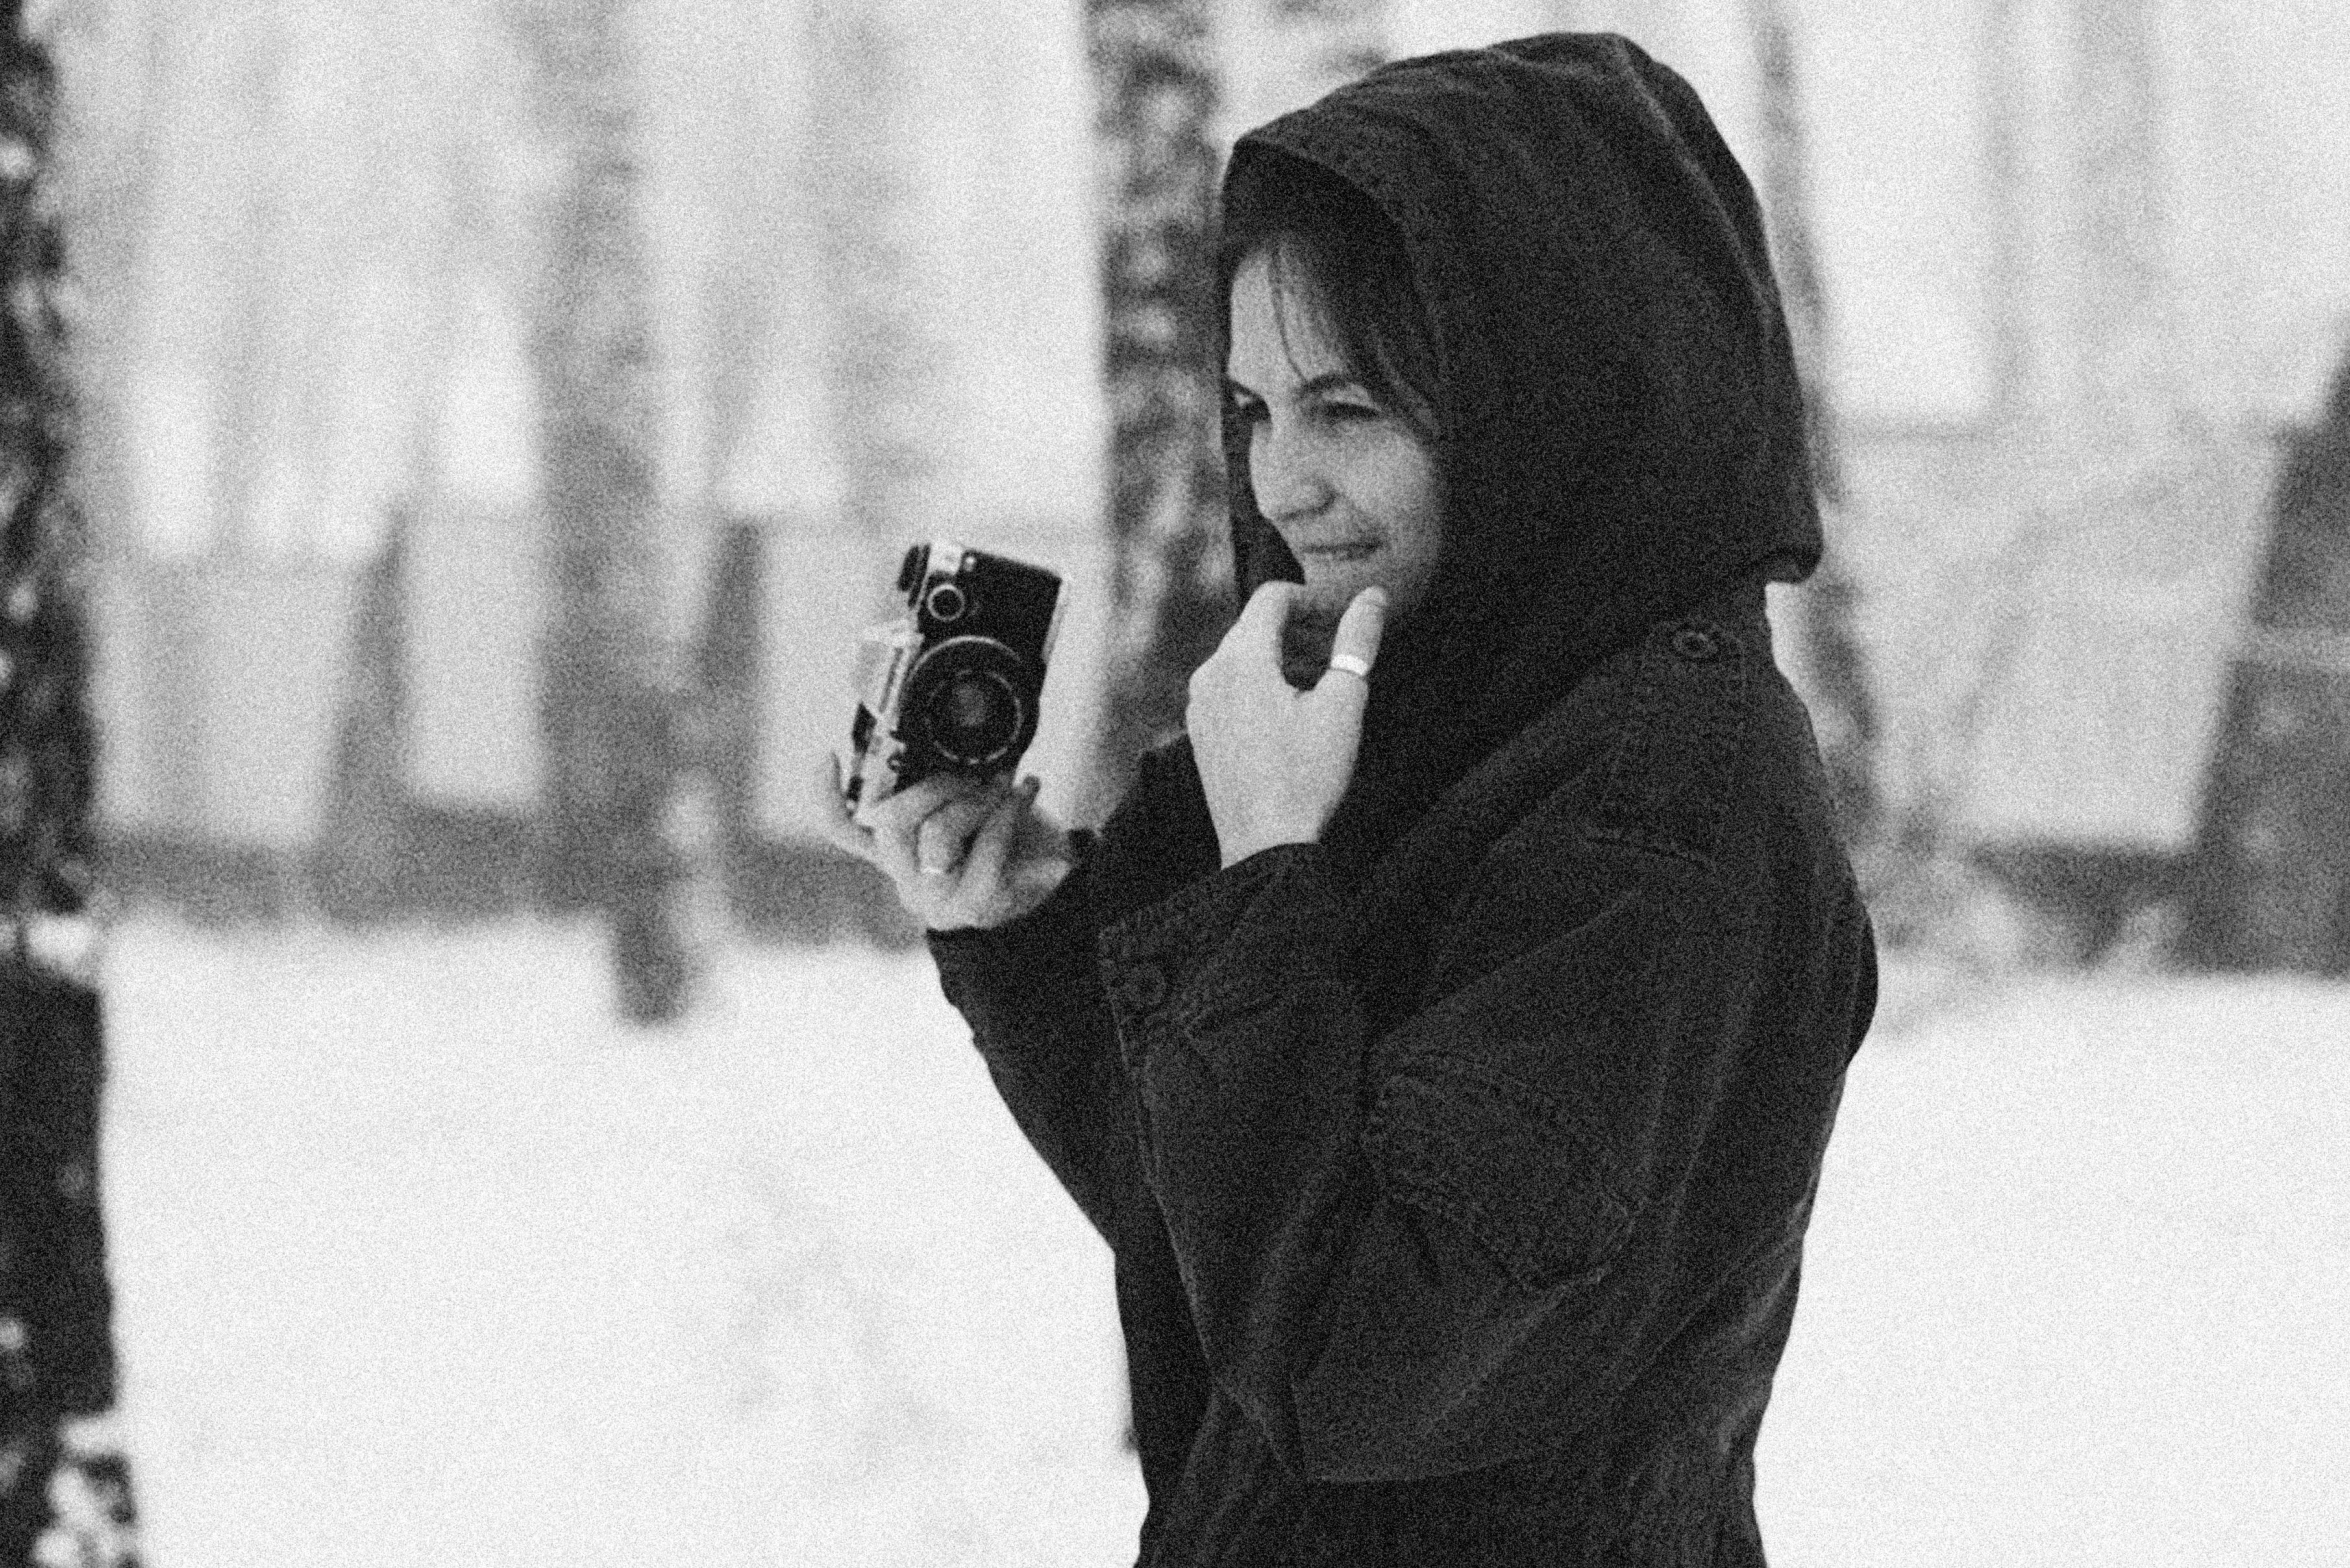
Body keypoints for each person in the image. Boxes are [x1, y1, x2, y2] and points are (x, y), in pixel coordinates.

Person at [821, 32, 1876, 1566]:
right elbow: (1218, 1242)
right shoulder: (1436, 721)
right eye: (1250, 412)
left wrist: (1264, 881)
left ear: (1548, 397)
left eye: (1348, 410)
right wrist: (1035, 938)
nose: (1280, 486)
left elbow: (1351, 1365)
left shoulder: (1657, 806)